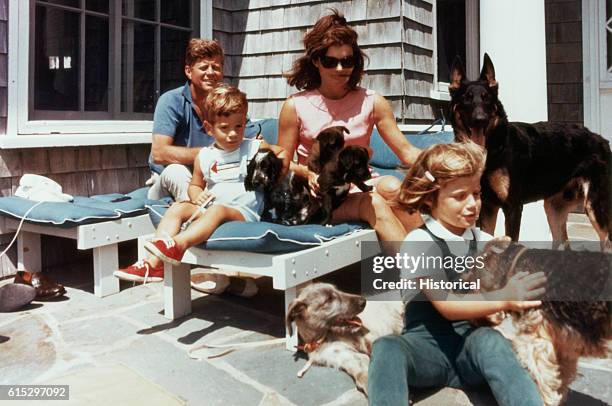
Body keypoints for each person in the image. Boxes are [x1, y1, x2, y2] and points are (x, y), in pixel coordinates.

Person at [367, 142, 546, 406]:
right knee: (387, 348)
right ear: (430, 198)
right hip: (426, 350)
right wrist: (504, 297)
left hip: (468, 349)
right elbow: (447, 305)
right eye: (460, 196)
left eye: (477, 193)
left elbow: (517, 264)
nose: (473, 204)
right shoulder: (419, 242)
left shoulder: (481, 239)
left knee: (492, 341)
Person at [116, 85, 287, 288]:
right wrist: (196, 195)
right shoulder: (204, 156)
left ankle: (178, 245)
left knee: (217, 210)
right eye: (224, 128)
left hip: (242, 211)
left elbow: (283, 152)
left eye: (239, 126)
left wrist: (276, 175)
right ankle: (153, 264)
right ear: (209, 128)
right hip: (211, 206)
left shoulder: (253, 146)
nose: (233, 134)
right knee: (178, 207)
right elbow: (196, 185)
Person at [277, 10, 423, 242]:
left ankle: (433, 261)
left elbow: (406, 151)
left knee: (394, 188)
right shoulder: (295, 106)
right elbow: (282, 164)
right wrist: (309, 173)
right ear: (316, 61)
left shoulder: (373, 101)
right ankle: (422, 274)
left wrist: (446, 166)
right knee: (372, 202)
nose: (340, 69)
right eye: (330, 61)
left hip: (360, 183)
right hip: (322, 195)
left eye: (347, 61)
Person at [146, 38, 225, 202]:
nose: (210, 72)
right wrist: (210, 154)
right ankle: (196, 221)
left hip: (211, 179)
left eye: (216, 67)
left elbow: (252, 137)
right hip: (168, 181)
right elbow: (159, 153)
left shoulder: (227, 102)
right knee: (177, 171)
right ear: (189, 71)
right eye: (204, 67)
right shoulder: (171, 100)